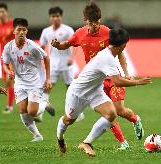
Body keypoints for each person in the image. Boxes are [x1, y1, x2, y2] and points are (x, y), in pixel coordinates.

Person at [51, 2, 143, 150]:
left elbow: (120, 53)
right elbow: (66, 45)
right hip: (90, 82)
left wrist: (126, 73)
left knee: (116, 111)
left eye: (98, 22)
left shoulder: (107, 32)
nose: (95, 26)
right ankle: (60, 138)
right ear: (85, 21)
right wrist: (58, 45)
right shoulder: (80, 34)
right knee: (69, 120)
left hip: (111, 78)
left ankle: (130, 125)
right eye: (92, 23)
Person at [56, 28, 151, 157]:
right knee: (68, 121)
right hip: (78, 92)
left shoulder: (109, 54)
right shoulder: (107, 58)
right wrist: (138, 82)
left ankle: (86, 143)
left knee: (111, 114)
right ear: (124, 45)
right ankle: (60, 138)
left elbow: (116, 81)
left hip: (95, 90)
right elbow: (117, 81)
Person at [2, 18, 55, 142]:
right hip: (19, 83)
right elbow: (5, 62)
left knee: (32, 112)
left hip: (34, 83)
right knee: (23, 111)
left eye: (24, 30)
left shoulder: (32, 46)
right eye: (19, 29)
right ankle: (37, 135)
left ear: (27, 31)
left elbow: (46, 58)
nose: (21, 32)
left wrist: (47, 79)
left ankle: (44, 104)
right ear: (13, 31)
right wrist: (8, 71)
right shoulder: (8, 47)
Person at [38, 6, 77, 122]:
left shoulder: (68, 30)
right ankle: (41, 111)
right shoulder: (46, 31)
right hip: (53, 63)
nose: (56, 18)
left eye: (58, 16)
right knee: (47, 87)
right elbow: (41, 46)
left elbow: (75, 44)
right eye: (53, 16)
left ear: (61, 17)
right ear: (50, 18)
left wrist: (72, 58)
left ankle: (76, 111)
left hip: (66, 63)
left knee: (71, 88)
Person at [0, 2, 15, 114]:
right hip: (3, 56)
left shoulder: (13, 24)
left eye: (3, 11)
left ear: (6, 12)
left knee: (10, 80)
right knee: (6, 80)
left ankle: (9, 106)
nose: (1, 14)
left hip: (14, 56)